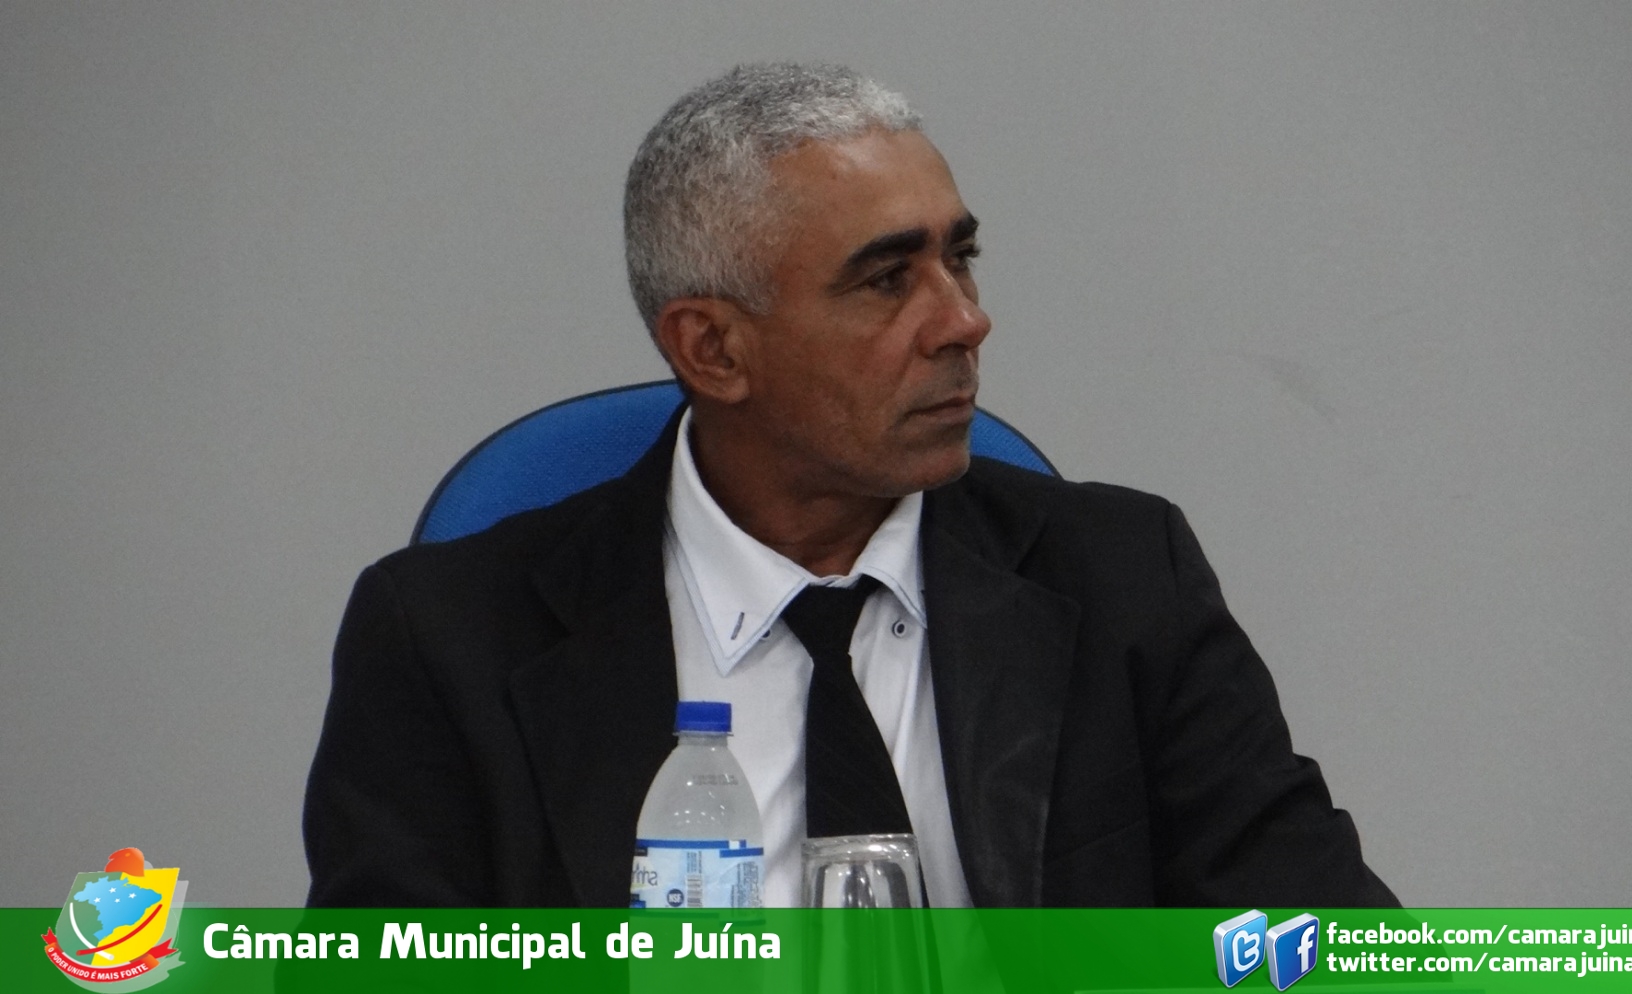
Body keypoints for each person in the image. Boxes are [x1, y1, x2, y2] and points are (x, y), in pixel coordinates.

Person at [303, 62, 1397, 908]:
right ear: (712, 348)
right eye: (886, 279)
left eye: (959, 258)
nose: (963, 320)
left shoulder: (1122, 578)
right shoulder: (447, 639)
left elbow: (1319, 936)